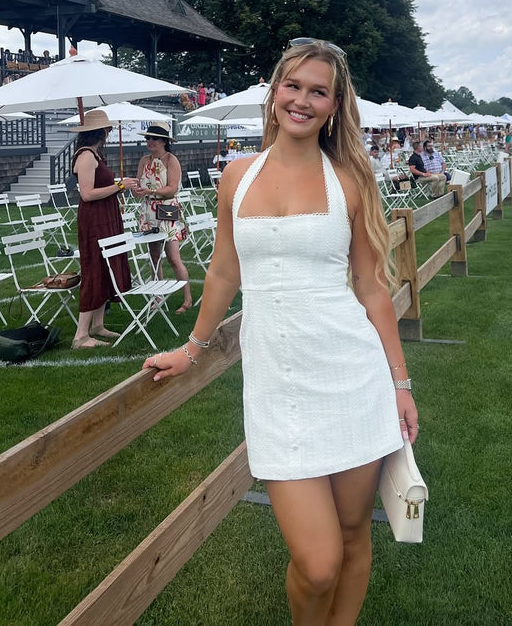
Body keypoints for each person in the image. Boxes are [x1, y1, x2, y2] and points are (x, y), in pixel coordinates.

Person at [142, 38, 418, 624]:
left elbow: (371, 287)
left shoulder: (351, 179)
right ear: (273, 94)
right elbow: (222, 271)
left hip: (353, 377)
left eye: (319, 91)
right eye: (293, 86)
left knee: (352, 535)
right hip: (277, 386)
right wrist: (192, 349)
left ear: (335, 105)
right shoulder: (236, 179)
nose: (302, 100)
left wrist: (400, 381)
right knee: (317, 562)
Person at [70, 109, 137, 348]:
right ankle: (81, 335)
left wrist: (120, 185)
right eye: (108, 129)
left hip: (105, 215)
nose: (109, 133)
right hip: (95, 219)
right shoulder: (87, 156)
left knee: (105, 266)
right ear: (102, 131)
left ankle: (97, 325)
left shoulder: (95, 155)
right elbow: (87, 194)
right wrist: (120, 185)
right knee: (95, 268)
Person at [131, 122, 193, 313]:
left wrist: (151, 191)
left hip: (167, 211)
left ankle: (187, 299)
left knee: (174, 257)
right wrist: (136, 191)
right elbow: (138, 185)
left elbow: (172, 188)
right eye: (147, 138)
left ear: (164, 141)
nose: (150, 141)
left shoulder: (170, 160)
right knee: (154, 256)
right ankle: (157, 297)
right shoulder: (144, 160)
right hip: (148, 212)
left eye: (154, 138)